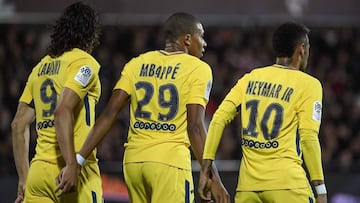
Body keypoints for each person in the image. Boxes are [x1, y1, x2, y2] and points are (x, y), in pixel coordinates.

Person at [57, 12, 230, 203]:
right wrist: (213, 179)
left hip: (134, 163)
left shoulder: (136, 63)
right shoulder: (198, 68)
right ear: (188, 39)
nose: (204, 43)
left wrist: (79, 160)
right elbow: (195, 127)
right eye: (201, 36)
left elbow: (109, 114)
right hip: (169, 163)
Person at [198, 22, 327, 203]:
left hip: (248, 188)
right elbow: (308, 138)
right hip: (287, 186)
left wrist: (206, 170)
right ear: (302, 49)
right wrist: (320, 189)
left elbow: (218, 118)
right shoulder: (308, 84)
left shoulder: (250, 78)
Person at [11, 2, 103, 202]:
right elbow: (62, 111)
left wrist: (24, 178)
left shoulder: (40, 68)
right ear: (90, 34)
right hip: (73, 172)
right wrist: (71, 164)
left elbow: (18, 124)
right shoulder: (84, 64)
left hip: (38, 173)